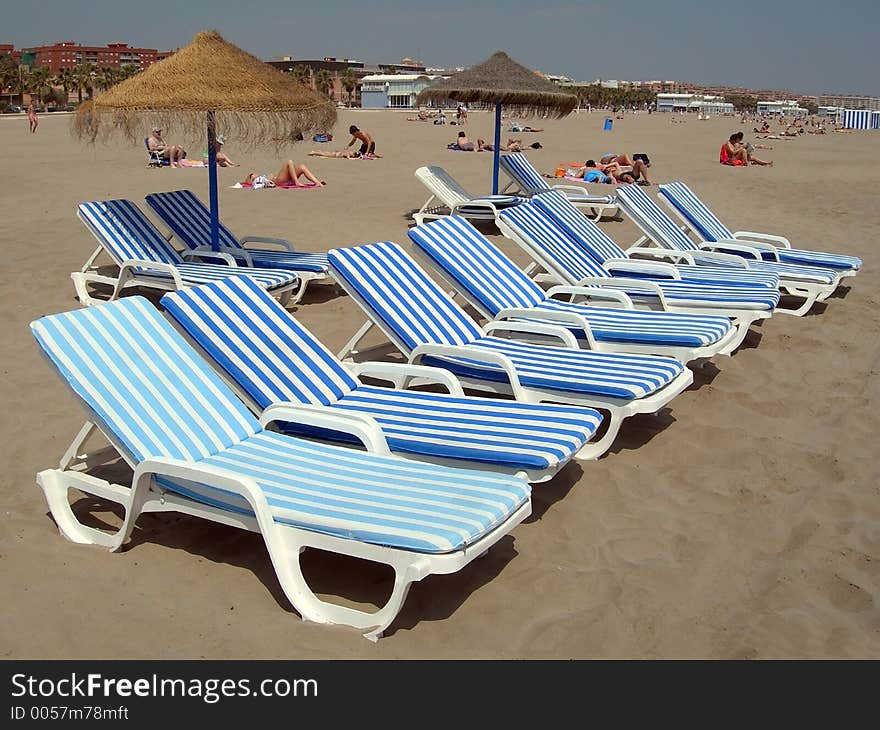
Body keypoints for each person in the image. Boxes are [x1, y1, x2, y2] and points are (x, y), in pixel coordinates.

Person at [240, 160, 325, 188]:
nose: (253, 174)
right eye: (251, 175)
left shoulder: (262, 177)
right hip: (279, 181)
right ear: (251, 180)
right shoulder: (258, 181)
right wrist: (270, 181)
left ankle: (317, 182)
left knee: (302, 167)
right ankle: (296, 182)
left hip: (283, 180)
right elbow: (268, 184)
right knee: (289, 162)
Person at [307, 149, 383, 159]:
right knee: (324, 154)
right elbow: (349, 158)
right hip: (335, 155)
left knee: (324, 152)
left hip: (336, 153)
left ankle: (314, 152)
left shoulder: (350, 151)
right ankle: (314, 152)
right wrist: (356, 158)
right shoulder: (349, 153)